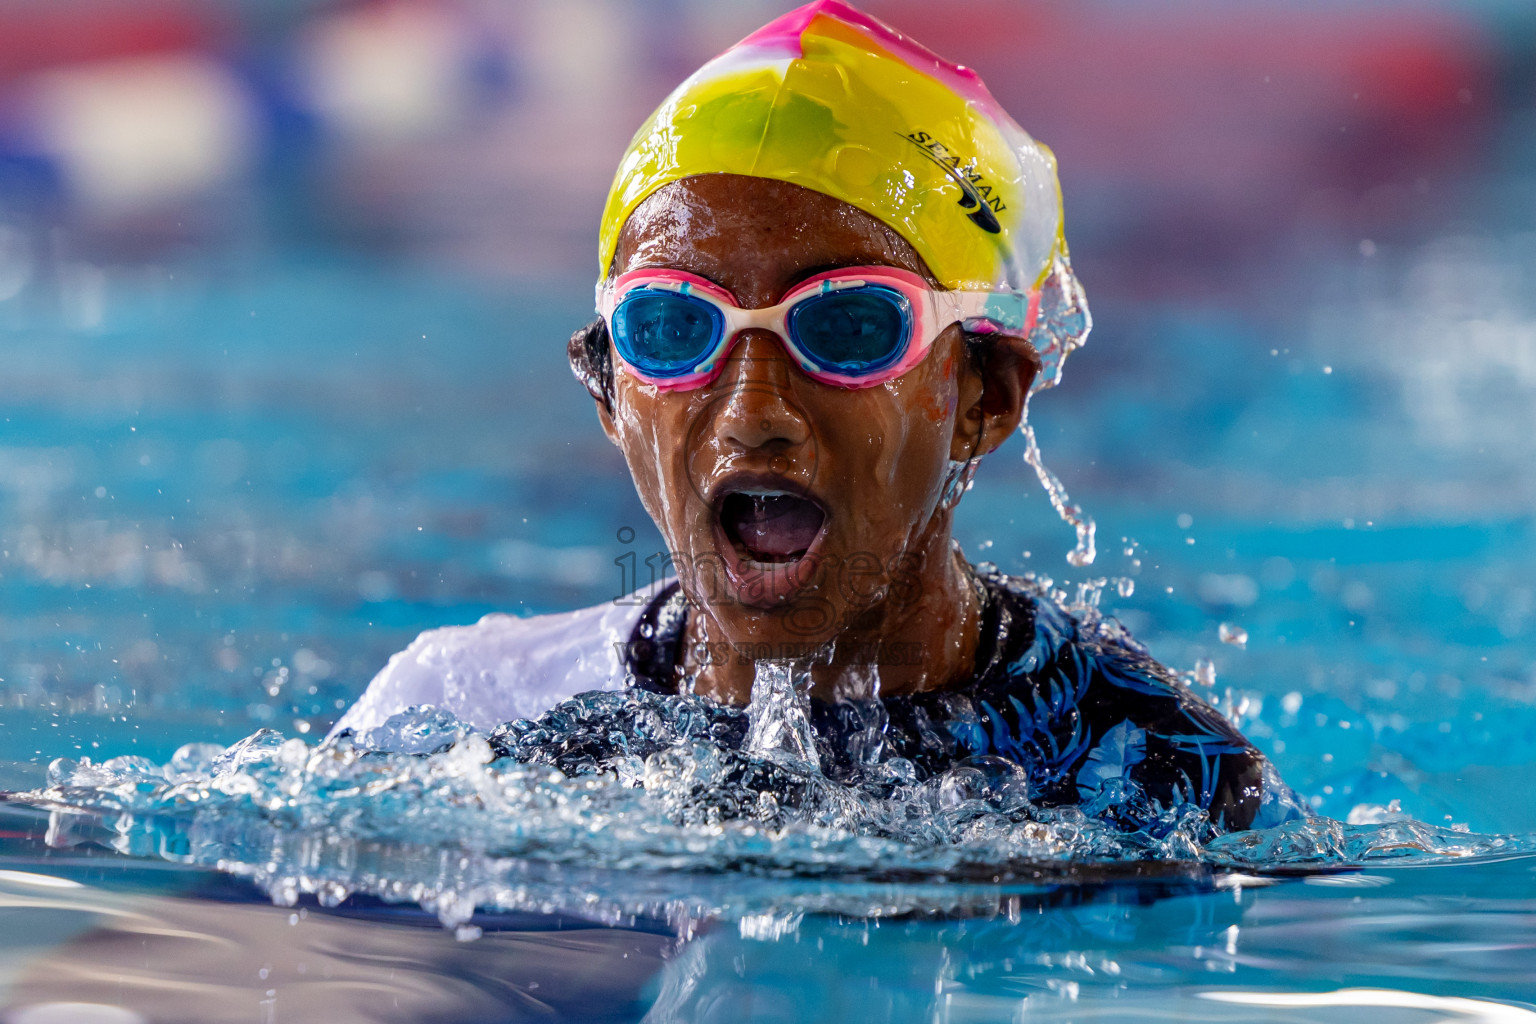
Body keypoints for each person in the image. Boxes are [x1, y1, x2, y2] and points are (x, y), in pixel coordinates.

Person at [331, 0, 1303, 831]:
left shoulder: (1155, 772)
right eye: (674, 325)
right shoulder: (454, 713)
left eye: (844, 324)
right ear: (608, 390)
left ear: (986, 396)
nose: (754, 411)